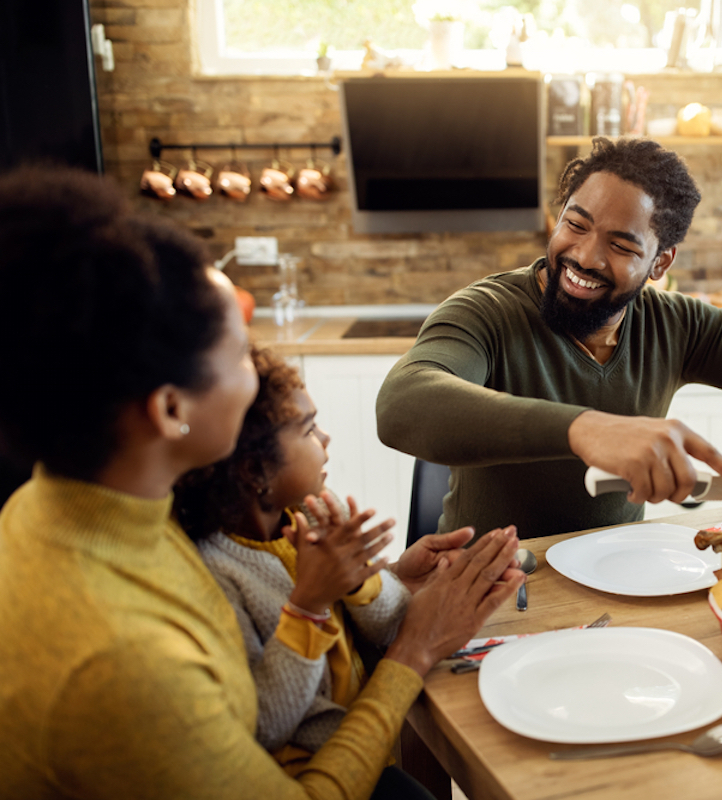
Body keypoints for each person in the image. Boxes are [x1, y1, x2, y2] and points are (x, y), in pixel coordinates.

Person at [0, 167, 523, 799]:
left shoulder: (59, 502)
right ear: (170, 410)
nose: (258, 374)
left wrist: (378, 587)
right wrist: (413, 651)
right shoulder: (121, 663)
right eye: (240, 353)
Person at [376, 137, 722, 538]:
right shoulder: (487, 312)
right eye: (575, 224)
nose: (585, 256)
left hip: (612, 577)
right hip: (487, 590)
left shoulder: (675, 323)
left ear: (660, 263)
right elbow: (402, 404)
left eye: (622, 245)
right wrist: (587, 430)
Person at [173, 345, 502, 778]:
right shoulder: (217, 574)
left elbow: (389, 624)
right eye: (308, 430)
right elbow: (267, 725)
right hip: (306, 771)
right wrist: (307, 604)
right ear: (254, 472)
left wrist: (368, 580)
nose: (326, 439)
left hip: (367, 738)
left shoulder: (318, 513)